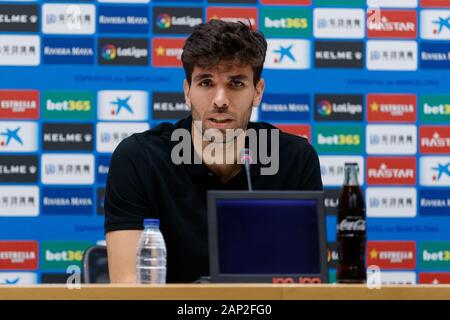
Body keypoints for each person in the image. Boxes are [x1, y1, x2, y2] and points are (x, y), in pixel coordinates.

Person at [105, 19, 323, 283]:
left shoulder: (293, 159)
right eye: (206, 83)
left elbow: (304, 287)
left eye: (236, 83)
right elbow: (129, 288)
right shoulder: (140, 159)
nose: (220, 100)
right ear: (187, 92)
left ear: (257, 91)